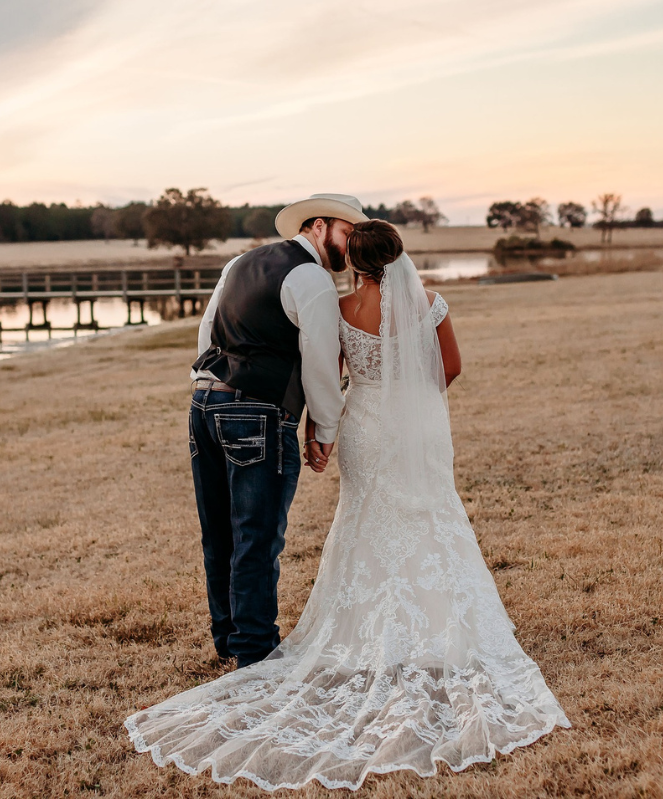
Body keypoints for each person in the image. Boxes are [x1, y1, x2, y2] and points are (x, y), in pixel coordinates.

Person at [126, 220, 570, 792]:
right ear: (398, 255)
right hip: (414, 422)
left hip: (328, 418)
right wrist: (404, 398)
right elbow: (449, 369)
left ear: (354, 259)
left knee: (347, 521)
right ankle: (422, 626)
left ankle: (251, 639)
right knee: (429, 512)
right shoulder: (429, 302)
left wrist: (325, 426)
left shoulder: (320, 298)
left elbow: (323, 367)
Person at [185, 193, 367, 669]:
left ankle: (229, 639)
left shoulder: (239, 263)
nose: (350, 247)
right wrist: (323, 429)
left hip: (205, 403)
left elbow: (208, 333)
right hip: (258, 413)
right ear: (320, 226)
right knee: (257, 536)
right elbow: (322, 363)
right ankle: (255, 650)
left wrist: (205, 387)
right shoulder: (311, 278)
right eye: (347, 235)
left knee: (219, 533)